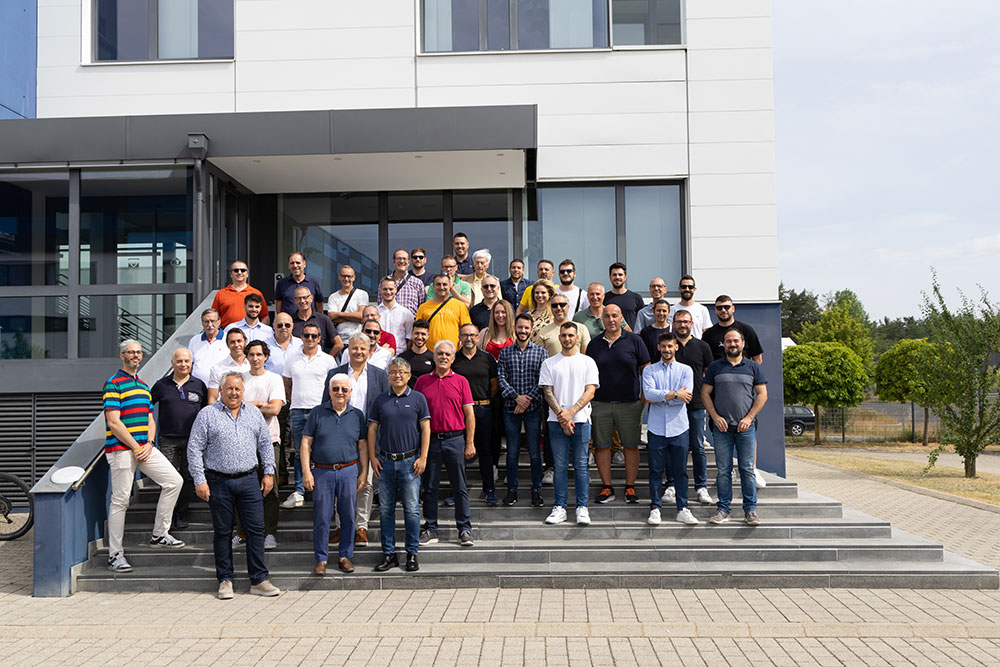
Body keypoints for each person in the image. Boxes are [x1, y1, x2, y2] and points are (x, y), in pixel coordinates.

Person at [187, 371, 280, 599]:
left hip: (249, 480)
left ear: (243, 390)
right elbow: (194, 449)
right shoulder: (207, 414)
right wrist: (199, 479)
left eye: (238, 389)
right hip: (218, 481)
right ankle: (225, 580)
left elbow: (265, 444)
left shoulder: (254, 414)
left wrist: (269, 473)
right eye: (229, 388)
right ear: (221, 390)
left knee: (256, 530)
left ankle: (258, 580)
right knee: (222, 532)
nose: (234, 393)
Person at [103, 340, 184, 573]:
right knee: (120, 501)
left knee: (174, 481)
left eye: (139, 352)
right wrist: (135, 446)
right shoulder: (113, 383)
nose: (136, 356)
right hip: (121, 450)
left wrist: (148, 443)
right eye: (131, 352)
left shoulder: (144, 385)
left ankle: (159, 534)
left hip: (143, 448)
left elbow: (150, 419)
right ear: (122, 356)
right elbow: (114, 422)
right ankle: (114, 555)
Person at [325, 332, 390, 548]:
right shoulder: (335, 374)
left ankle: (361, 527)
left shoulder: (379, 375)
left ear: (369, 351)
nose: (359, 352)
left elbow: (385, 407)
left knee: (367, 482)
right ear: (348, 350)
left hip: (370, 434)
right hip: (341, 434)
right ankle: (341, 526)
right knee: (339, 482)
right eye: (354, 348)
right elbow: (326, 404)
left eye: (363, 348)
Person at [301, 374, 368, 575]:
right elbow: (305, 443)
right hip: (322, 471)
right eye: (336, 388)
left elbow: (362, 445)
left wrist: (364, 472)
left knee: (348, 515)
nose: (340, 392)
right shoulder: (317, 413)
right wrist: (306, 471)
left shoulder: (357, 415)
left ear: (350, 392)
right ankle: (321, 558)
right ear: (329, 390)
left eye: (344, 389)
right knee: (322, 517)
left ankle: (345, 556)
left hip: (349, 470)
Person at [368, 357, 431, 573]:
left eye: (402, 372)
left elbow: (426, 428)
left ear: (409, 375)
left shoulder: (418, 398)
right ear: (388, 376)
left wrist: (423, 457)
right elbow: (372, 429)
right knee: (386, 510)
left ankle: (412, 553)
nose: (397, 375)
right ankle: (389, 554)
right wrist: (372, 457)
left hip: (410, 462)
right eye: (393, 372)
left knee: (412, 510)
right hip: (385, 462)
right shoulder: (380, 400)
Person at [702, 329, 768, 526]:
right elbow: (705, 393)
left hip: (745, 428)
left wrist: (749, 418)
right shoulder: (715, 367)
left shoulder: (753, 367)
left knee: (747, 469)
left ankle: (750, 510)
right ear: (724, 344)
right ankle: (723, 509)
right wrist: (715, 416)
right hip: (722, 429)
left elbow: (762, 395)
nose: (732, 344)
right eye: (728, 341)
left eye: (736, 341)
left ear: (743, 343)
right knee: (723, 470)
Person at [415, 340, 476, 547]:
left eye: (447, 354)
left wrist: (469, 442)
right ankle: (431, 528)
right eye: (440, 353)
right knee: (430, 487)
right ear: (434, 357)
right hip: (430, 441)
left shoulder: (461, 381)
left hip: (455, 439)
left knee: (459, 486)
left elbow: (469, 415)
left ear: (453, 358)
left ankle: (465, 529)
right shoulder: (422, 381)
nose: (443, 357)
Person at [586, 304, 650, 504]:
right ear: (602, 319)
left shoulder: (635, 340)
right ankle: (607, 488)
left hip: (629, 404)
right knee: (601, 446)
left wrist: (643, 400)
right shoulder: (594, 344)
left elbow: (646, 370)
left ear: (621, 318)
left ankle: (630, 487)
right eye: (607, 316)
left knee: (630, 446)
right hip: (600, 404)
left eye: (615, 315)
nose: (611, 319)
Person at [539, 323, 599, 526]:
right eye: (564, 335)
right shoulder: (549, 363)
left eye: (571, 335)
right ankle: (560, 507)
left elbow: (590, 391)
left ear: (577, 337)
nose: (567, 339)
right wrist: (562, 416)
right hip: (556, 423)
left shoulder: (588, 362)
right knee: (560, 466)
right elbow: (547, 392)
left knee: (581, 465)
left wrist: (570, 414)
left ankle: (582, 507)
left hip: (581, 421)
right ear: (559, 337)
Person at [642, 332, 698, 526]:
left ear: (676, 347)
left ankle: (683, 508)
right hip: (656, 428)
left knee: (681, 471)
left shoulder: (686, 370)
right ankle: (655, 508)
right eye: (663, 346)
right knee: (655, 471)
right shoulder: (650, 370)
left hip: (679, 427)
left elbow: (687, 396)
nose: (666, 350)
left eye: (670, 346)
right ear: (659, 347)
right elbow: (649, 395)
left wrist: (663, 397)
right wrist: (674, 394)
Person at [281, 322, 339, 508]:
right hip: (298, 410)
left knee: (322, 451)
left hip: (321, 411)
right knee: (300, 452)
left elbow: (333, 385)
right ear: (302, 337)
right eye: (306, 335)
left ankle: (320, 488)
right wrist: (293, 400)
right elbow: (287, 384)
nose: (310, 339)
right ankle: (299, 491)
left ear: (320, 338)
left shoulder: (328, 360)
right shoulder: (292, 358)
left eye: (314, 336)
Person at [235, 340, 286, 551]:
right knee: (241, 488)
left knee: (269, 488)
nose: (255, 358)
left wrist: (246, 406)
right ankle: (242, 533)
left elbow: (274, 409)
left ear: (266, 356)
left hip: (269, 440)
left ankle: (269, 533)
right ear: (246, 356)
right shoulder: (239, 379)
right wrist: (259, 405)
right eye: (251, 354)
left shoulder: (274, 379)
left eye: (259, 354)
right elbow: (232, 406)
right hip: (241, 440)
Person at [150, 347, 207, 531]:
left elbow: (207, 411)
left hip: (192, 440)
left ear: (191, 363)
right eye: (179, 361)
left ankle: (181, 513)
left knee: (187, 477)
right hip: (168, 439)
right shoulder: (161, 385)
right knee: (169, 478)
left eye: (187, 361)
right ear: (172, 363)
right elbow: (146, 406)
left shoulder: (199, 385)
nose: (183, 364)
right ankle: (168, 516)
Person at [497, 313, 547, 508]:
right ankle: (512, 490)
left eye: (526, 328)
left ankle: (536, 490)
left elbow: (543, 380)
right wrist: (516, 397)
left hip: (533, 408)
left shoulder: (541, 352)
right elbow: (501, 378)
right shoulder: (505, 352)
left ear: (532, 330)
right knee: (512, 451)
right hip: (511, 408)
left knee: (535, 451)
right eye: (520, 327)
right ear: (514, 329)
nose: (523, 331)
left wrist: (526, 400)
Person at [669, 310, 715, 507]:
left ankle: (701, 486)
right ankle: (671, 485)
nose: (682, 325)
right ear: (673, 324)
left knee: (697, 446)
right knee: (673, 446)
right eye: (679, 321)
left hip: (695, 404)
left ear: (691, 324)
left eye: (686, 321)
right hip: (672, 405)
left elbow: (709, 374)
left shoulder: (702, 346)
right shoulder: (668, 345)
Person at [452, 323, 500, 505]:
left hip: (483, 408)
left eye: (472, 335)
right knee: (459, 452)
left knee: (485, 451)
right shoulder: (454, 359)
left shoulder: (487, 358)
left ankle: (489, 490)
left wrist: (483, 400)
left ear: (478, 338)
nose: (469, 338)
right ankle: (457, 492)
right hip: (459, 411)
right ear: (460, 338)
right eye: (465, 335)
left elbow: (494, 384)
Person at [478, 299, 515, 486]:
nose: (500, 316)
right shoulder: (485, 334)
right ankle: (492, 466)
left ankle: (511, 469)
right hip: (490, 389)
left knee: (510, 431)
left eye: (503, 312)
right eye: (497, 312)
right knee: (493, 430)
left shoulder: (516, 334)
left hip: (512, 388)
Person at [263, 311, 301, 484]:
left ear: (292, 326)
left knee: (299, 437)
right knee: (280, 437)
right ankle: (282, 474)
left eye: (287, 325)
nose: (283, 328)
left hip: (299, 397)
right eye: (279, 325)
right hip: (276, 398)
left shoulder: (301, 344)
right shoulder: (265, 346)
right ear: (273, 326)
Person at [416, 273, 472, 349]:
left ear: (450, 286)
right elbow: (418, 330)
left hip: (453, 351)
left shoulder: (460, 306)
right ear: (433, 287)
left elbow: (466, 329)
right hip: (429, 351)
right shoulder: (423, 307)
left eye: (445, 284)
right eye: (438, 284)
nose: (442, 287)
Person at [702, 295, 764, 363]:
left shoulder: (747, 330)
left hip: (743, 369)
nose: (723, 310)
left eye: (726, 307)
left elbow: (757, 358)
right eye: (719, 308)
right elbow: (705, 362)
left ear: (733, 308)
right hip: (718, 370)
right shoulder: (708, 335)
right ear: (715, 310)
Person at [212, 260, 269, 328]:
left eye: (243, 270)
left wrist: (258, 331)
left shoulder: (256, 293)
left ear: (247, 274)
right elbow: (213, 317)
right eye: (236, 270)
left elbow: (265, 317)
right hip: (227, 332)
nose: (239, 272)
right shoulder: (221, 294)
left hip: (250, 332)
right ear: (231, 274)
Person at [291, 285, 343, 357]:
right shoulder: (289, 322)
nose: (302, 301)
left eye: (305, 297)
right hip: (297, 361)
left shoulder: (323, 319)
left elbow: (339, 344)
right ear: (295, 300)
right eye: (299, 298)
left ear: (311, 298)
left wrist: (327, 360)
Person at [207, 328, 250, 404]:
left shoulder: (252, 365)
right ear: (227, 344)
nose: (236, 345)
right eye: (232, 342)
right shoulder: (217, 368)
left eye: (239, 341)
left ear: (245, 342)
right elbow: (212, 398)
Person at [326, 265, 368, 341]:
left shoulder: (362, 294)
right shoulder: (333, 297)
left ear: (354, 277)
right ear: (339, 277)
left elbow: (361, 316)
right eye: (343, 276)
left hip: (357, 339)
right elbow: (331, 318)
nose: (346, 279)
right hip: (339, 340)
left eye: (349, 276)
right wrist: (355, 318)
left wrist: (338, 314)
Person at [274, 252, 323, 316]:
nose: (295, 266)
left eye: (298, 263)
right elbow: (278, 307)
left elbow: (319, 306)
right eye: (292, 263)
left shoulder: (314, 283)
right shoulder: (281, 283)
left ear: (304, 264)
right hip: (289, 321)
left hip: (309, 321)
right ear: (289, 266)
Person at [380, 249, 426, 315]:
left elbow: (422, 308)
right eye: (399, 259)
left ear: (408, 262)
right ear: (394, 261)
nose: (401, 261)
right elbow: (380, 307)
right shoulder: (384, 283)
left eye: (404, 259)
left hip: (411, 321)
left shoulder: (417, 283)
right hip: (389, 320)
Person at [189, 308, 228, 384]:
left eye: (212, 321)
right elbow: (189, 363)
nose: (210, 325)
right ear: (202, 323)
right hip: (197, 386)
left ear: (219, 322)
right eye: (206, 321)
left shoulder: (228, 339)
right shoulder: (194, 340)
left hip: (221, 386)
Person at [603, 262, 644, 331]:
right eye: (614, 275)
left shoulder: (636, 298)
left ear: (625, 277)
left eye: (620, 275)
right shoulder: (604, 298)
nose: (617, 277)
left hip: (631, 336)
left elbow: (641, 321)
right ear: (610, 277)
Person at [377, 277, 415, 349]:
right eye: (385, 289)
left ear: (396, 290)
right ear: (380, 290)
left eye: (391, 289)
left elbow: (410, 338)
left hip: (400, 353)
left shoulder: (406, 313)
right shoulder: (375, 312)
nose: (388, 292)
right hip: (379, 353)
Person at [672, 275, 713, 339]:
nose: (687, 289)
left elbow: (707, 332)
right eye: (684, 287)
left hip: (697, 344)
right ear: (679, 289)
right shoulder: (672, 309)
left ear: (694, 289)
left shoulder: (702, 309)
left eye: (690, 287)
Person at [399, 319, 435, 387]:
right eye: (417, 333)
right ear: (412, 333)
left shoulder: (434, 358)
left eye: (423, 334)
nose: (419, 337)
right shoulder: (402, 358)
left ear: (428, 335)